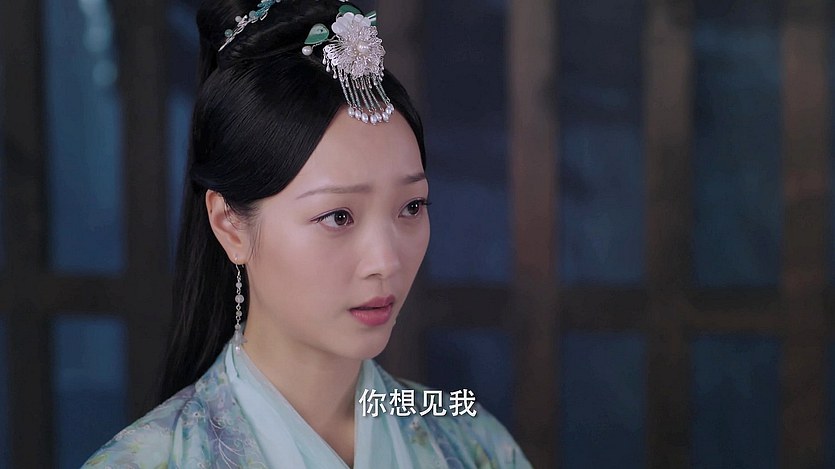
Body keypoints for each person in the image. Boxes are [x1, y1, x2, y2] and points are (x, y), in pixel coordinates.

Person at [83, 0, 531, 467]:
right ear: (230, 224)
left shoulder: (473, 443)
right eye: (338, 216)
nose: (386, 261)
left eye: (412, 207)